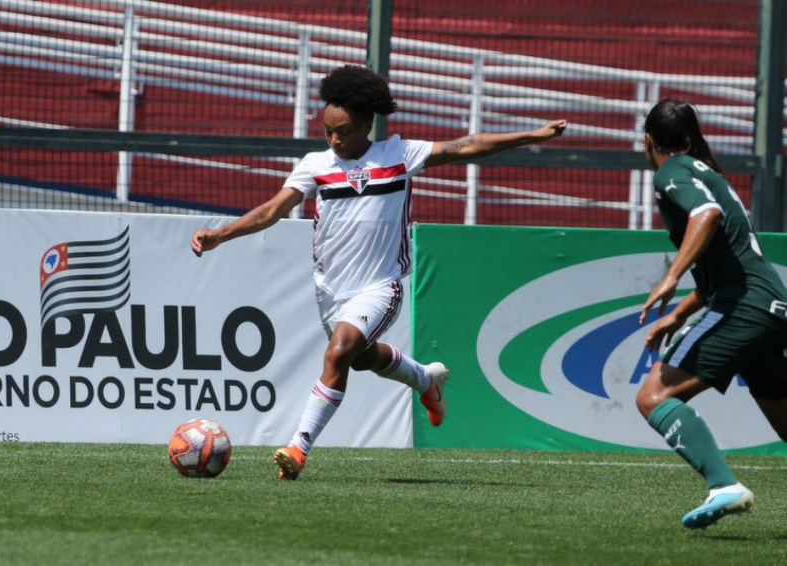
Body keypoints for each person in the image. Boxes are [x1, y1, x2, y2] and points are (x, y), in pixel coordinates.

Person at [191, 64, 567, 480]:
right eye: (328, 129)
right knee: (359, 357)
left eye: (344, 130)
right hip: (330, 292)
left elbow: (465, 146)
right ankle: (425, 378)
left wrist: (531, 136)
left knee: (338, 352)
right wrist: (220, 235)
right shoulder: (316, 164)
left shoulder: (397, 155)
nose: (335, 138)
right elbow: (270, 210)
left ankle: (298, 449)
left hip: (380, 286)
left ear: (368, 123)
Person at [636, 98, 787, 528]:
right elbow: (724, 265)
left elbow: (707, 215)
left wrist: (669, 279)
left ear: (649, 140)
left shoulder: (671, 173)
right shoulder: (710, 173)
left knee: (653, 397)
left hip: (745, 306)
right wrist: (678, 315)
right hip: (772, 306)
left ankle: (723, 486)